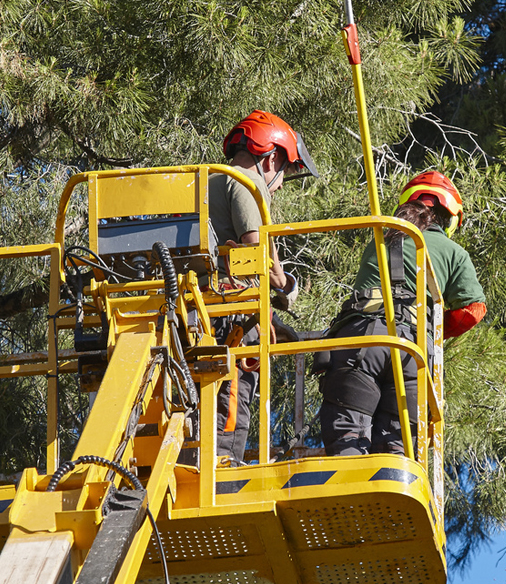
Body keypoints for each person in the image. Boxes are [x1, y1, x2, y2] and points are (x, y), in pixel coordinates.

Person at [318, 170, 486, 456]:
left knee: (348, 439)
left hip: (361, 341)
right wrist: (433, 332)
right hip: (413, 353)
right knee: (397, 451)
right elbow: (474, 310)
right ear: (450, 217)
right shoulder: (453, 251)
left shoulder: (379, 238)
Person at [207, 110, 318, 462]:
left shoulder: (206, 179)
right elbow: (259, 256)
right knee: (230, 402)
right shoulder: (246, 183)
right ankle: (223, 469)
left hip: (199, 311)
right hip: (231, 317)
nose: (281, 183)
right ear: (270, 158)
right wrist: (287, 286)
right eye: (284, 171)